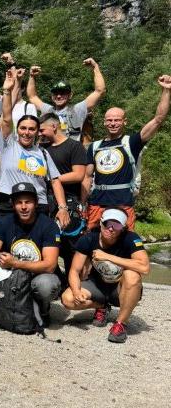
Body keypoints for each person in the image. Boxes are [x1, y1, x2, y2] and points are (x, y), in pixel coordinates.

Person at [0, 70, 71, 244]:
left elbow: (55, 181)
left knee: (33, 251)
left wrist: (62, 208)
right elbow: (7, 119)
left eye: (32, 129)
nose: (27, 132)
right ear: (18, 130)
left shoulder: (43, 153)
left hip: (38, 206)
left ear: (38, 132)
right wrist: (7, 91)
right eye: (23, 128)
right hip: (8, 203)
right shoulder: (9, 144)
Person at [81, 75, 171, 230]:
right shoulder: (94, 147)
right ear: (104, 122)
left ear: (124, 122)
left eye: (117, 120)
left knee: (126, 246)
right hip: (97, 203)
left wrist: (166, 90)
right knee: (91, 243)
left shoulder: (132, 142)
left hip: (123, 204)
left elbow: (158, 119)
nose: (113, 123)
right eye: (109, 120)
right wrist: (82, 203)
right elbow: (87, 177)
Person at [0, 183, 62, 328]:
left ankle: (42, 309)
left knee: (46, 285)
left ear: (36, 203)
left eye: (28, 202)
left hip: (38, 274)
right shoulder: (4, 222)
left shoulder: (49, 225)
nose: (23, 207)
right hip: (11, 275)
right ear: (13, 204)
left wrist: (16, 263)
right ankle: (2, 305)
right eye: (19, 202)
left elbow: (50, 265)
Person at [60, 208, 150, 343]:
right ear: (101, 223)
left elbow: (145, 268)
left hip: (120, 289)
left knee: (132, 275)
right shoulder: (88, 238)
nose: (111, 229)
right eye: (108, 223)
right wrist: (76, 290)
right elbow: (74, 270)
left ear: (123, 228)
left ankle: (120, 324)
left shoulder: (131, 239)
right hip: (97, 285)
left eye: (117, 225)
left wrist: (107, 257)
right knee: (68, 299)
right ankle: (101, 306)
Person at [39, 112, 87, 275]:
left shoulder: (74, 146)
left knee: (70, 247)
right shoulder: (42, 149)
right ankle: (59, 282)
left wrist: (51, 178)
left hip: (69, 202)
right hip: (47, 202)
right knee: (48, 244)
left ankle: (74, 284)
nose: (39, 134)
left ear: (54, 126)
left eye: (42, 130)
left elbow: (78, 174)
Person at [26, 58, 106, 141]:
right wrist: (32, 77)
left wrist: (95, 67)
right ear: (52, 96)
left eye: (63, 93)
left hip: (71, 152)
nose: (59, 96)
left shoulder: (78, 109)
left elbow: (100, 91)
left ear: (70, 95)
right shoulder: (48, 110)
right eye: (55, 93)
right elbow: (32, 97)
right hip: (50, 152)